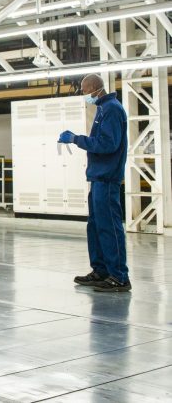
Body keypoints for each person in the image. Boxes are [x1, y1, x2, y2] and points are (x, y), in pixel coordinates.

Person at [58, 74, 131, 292]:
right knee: (96, 227)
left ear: (94, 88)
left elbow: (108, 144)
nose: (83, 94)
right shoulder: (102, 108)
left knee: (109, 227)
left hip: (107, 178)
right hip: (98, 177)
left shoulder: (112, 110)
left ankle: (119, 276)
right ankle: (101, 270)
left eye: (84, 90)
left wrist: (76, 139)